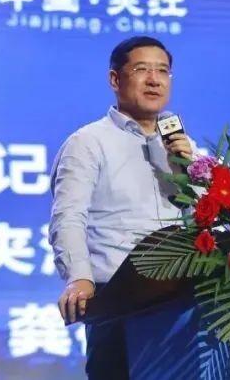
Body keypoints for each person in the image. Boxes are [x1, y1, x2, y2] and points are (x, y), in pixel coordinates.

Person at [49, 36, 195, 379]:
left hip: (180, 302)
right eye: (142, 69)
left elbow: (207, 221)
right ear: (115, 79)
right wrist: (78, 277)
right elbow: (68, 216)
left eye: (163, 71)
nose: (154, 80)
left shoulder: (184, 148)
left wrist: (189, 173)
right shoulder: (88, 142)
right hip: (118, 300)